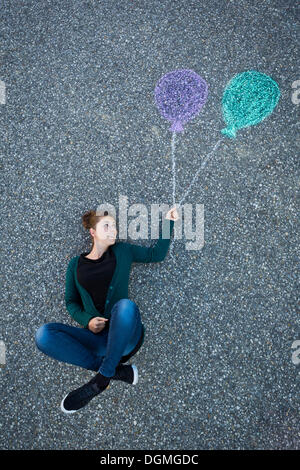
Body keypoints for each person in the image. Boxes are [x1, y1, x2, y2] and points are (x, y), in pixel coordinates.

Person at [35, 206, 179, 413]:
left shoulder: (123, 251)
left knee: (125, 307)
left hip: (127, 335)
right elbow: (71, 302)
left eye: (114, 226)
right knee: (44, 335)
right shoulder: (75, 265)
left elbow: (157, 254)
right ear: (92, 232)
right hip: (98, 340)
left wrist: (169, 221)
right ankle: (116, 372)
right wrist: (87, 321)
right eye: (107, 225)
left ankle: (100, 381)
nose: (113, 230)